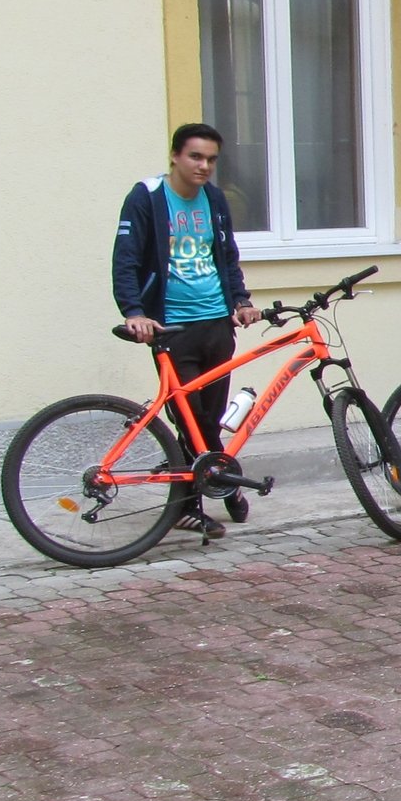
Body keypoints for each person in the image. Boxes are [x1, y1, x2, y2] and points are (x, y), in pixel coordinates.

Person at [112, 123, 262, 541]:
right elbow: (125, 259)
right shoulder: (147, 197)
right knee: (189, 417)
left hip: (216, 323)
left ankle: (221, 481)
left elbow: (226, 256)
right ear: (175, 156)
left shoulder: (214, 198)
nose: (204, 166)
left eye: (211, 159)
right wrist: (134, 312)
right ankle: (193, 504)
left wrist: (241, 301)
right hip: (172, 327)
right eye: (196, 157)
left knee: (209, 418)